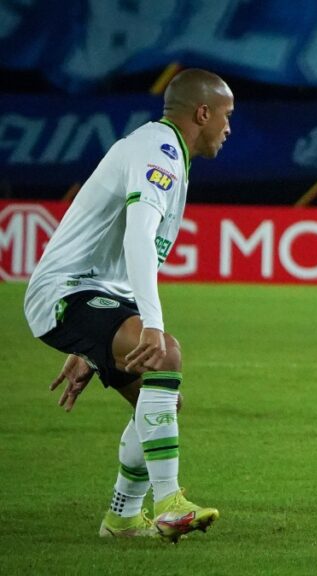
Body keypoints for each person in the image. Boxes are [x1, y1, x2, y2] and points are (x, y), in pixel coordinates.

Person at [23, 68, 232, 542]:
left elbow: (124, 256)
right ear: (203, 112)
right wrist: (152, 325)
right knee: (166, 353)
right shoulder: (158, 151)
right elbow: (139, 233)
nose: (228, 127)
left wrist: (95, 348)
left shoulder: (164, 152)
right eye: (226, 115)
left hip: (92, 295)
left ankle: (121, 517)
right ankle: (170, 502)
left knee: (161, 401)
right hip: (65, 292)